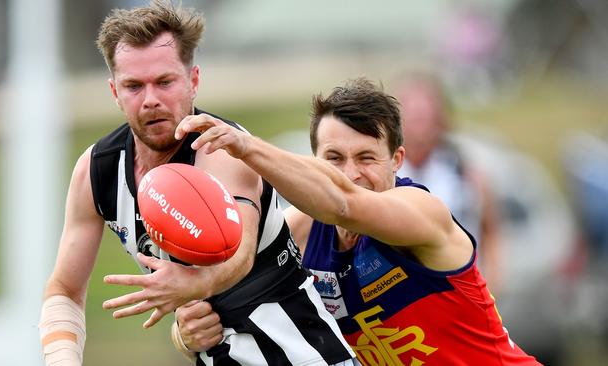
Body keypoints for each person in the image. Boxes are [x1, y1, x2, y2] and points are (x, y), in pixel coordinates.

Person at [38, 2, 356, 365]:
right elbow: (63, 289)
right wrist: (61, 357)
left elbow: (238, 255)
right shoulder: (97, 171)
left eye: (164, 82)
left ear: (193, 82)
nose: (151, 100)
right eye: (133, 86)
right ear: (114, 92)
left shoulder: (222, 148)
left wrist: (192, 288)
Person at [173, 78, 541, 365]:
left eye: (366, 157)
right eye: (333, 158)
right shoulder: (299, 231)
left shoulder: (421, 211)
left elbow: (345, 204)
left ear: (397, 160)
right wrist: (186, 334)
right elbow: (226, 294)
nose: (351, 173)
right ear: (313, 159)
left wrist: (246, 147)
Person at [394, 73, 503, 292]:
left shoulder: (465, 172)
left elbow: (491, 232)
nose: (419, 122)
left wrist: (493, 282)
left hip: (462, 292)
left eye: (425, 114)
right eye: (412, 115)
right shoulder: (386, 174)